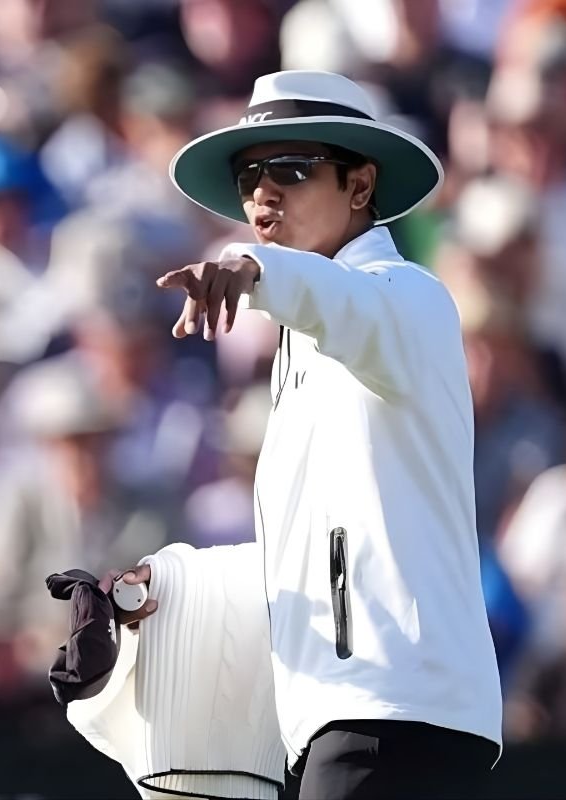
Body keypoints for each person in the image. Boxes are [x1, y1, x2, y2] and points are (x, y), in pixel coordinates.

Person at [118, 70, 503, 799]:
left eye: (290, 169)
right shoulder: (305, 339)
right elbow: (315, 547)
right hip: (349, 716)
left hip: (393, 714)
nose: (263, 193)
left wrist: (251, 265)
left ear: (361, 187)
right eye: (249, 175)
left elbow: (338, 298)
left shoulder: (409, 296)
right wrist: (164, 587)